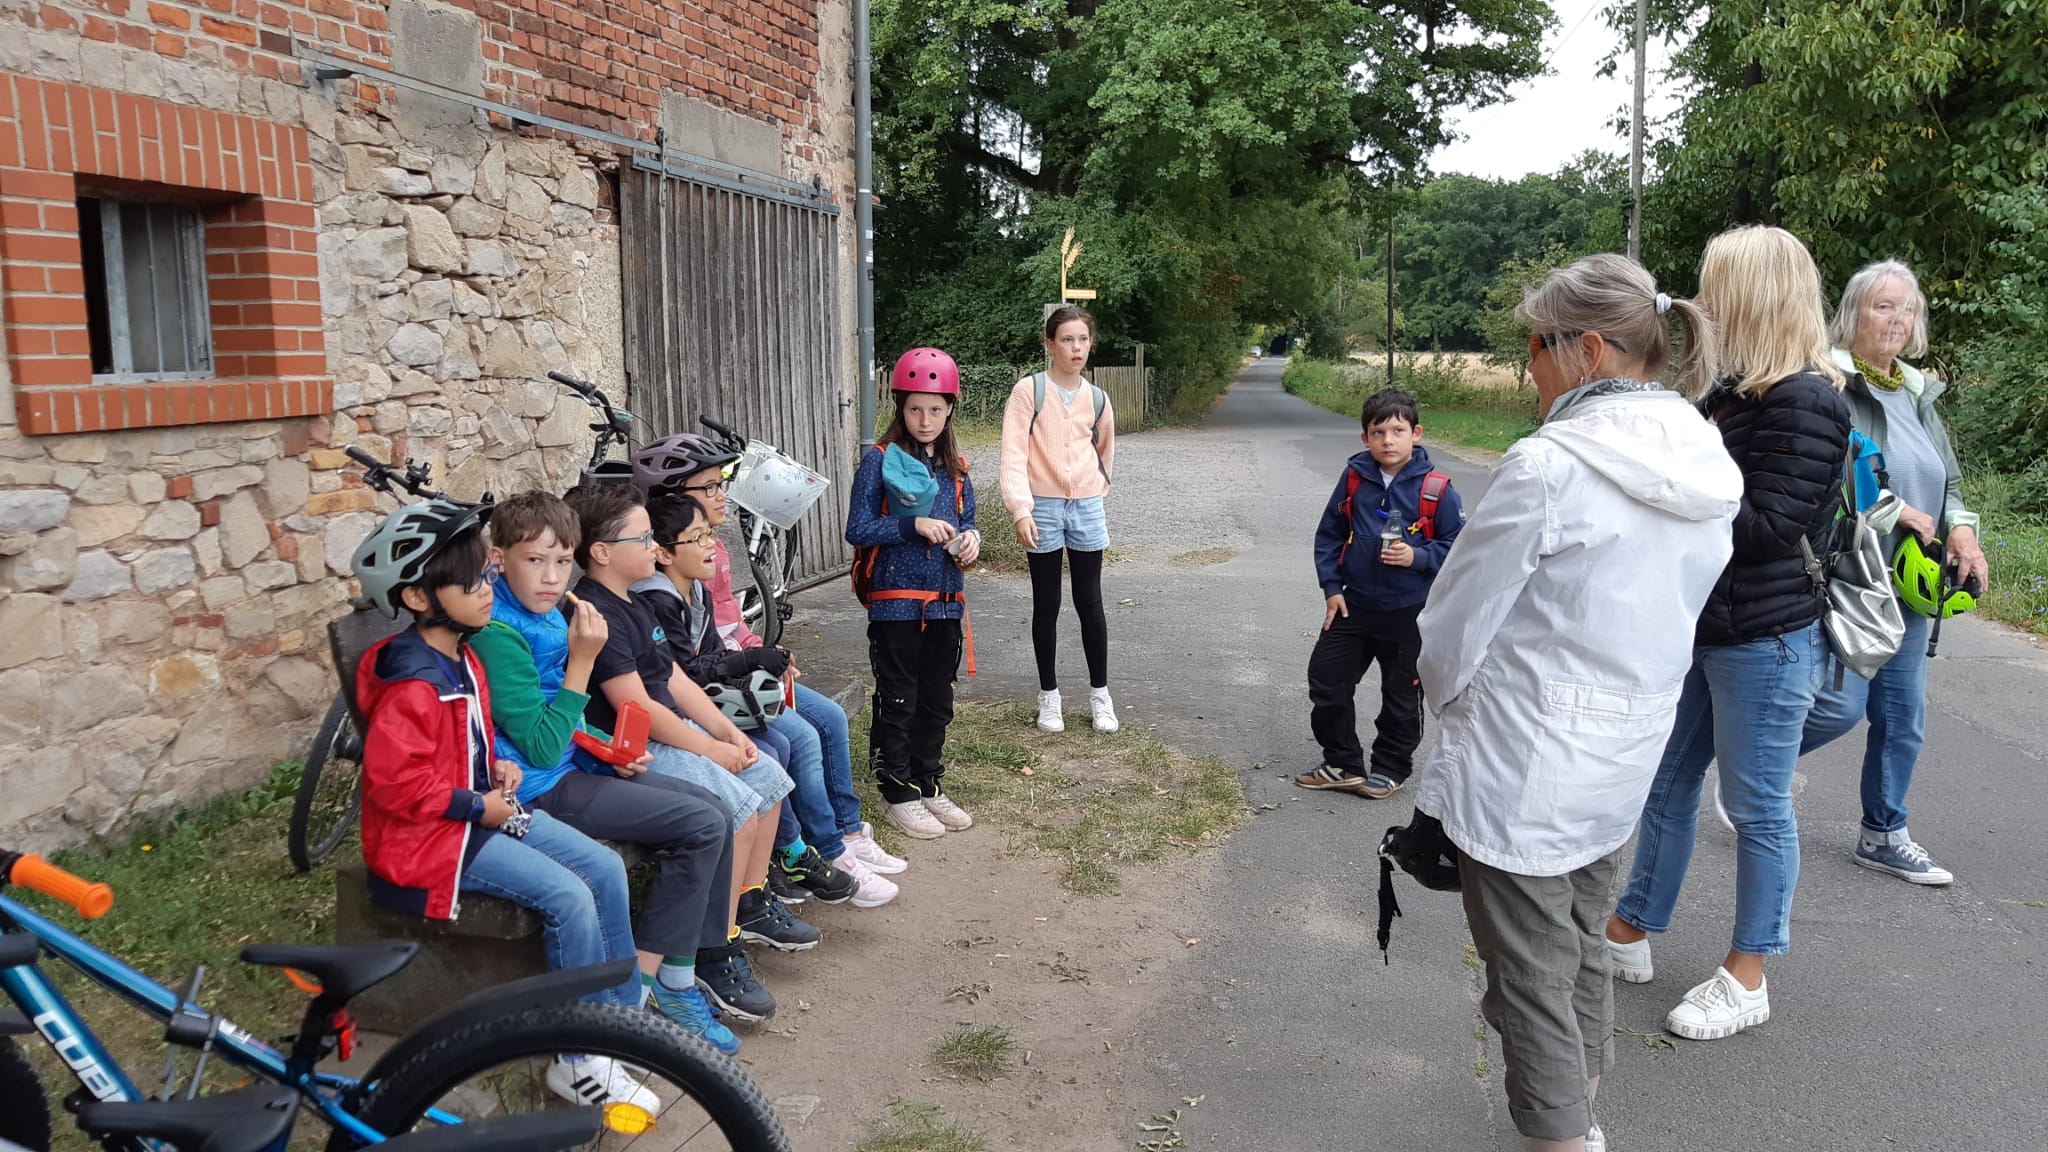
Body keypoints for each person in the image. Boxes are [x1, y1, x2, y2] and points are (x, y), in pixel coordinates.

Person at [1412, 253, 1740, 1152]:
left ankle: (1565, 1135)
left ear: (1589, 348)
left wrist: (1446, 705)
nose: (1529, 363)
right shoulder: (1708, 458)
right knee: (1583, 942)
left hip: (1524, 758)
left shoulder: (1548, 467)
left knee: (1528, 972)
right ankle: (1584, 1097)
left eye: (1537, 344)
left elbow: (1452, 625)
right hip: (1626, 747)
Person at [1605, 225, 1853, 1042]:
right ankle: (1631, 932)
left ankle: (1749, 975)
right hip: (1711, 631)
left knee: (1756, 808)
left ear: (1754, 296)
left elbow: (1770, 524)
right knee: (1668, 783)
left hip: (1767, 640)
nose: (1701, 304)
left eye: (1716, 289)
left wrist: (1663, 490)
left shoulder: (1807, 398)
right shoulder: (1731, 392)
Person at [349, 497, 660, 1110]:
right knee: (569, 896)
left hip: (475, 812)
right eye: (473, 582)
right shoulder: (414, 685)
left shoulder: (461, 656)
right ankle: (578, 1058)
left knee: (600, 867)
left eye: (487, 576)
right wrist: (475, 803)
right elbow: (397, 787)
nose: (488, 589)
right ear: (418, 597)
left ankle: (621, 1025)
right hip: (432, 842)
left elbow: (467, 734)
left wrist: (493, 760)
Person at [465, 491, 753, 1054]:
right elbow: (542, 748)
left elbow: (563, 722)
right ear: (499, 559)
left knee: (713, 812)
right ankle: (645, 996)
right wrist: (581, 661)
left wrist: (608, 748)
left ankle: (674, 978)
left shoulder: (549, 611)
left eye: (560, 561)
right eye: (534, 561)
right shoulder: (500, 633)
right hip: (539, 792)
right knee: (700, 823)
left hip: (578, 766)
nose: (551, 577)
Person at [562, 481, 797, 1026]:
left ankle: (737, 917)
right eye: (642, 538)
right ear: (601, 553)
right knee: (733, 809)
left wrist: (724, 731)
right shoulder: (600, 610)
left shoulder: (632, 599)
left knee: (769, 779)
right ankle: (710, 952)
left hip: (671, 732)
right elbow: (635, 705)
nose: (652, 548)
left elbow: (671, 677)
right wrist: (708, 749)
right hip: (637, 748)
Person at [632, 434, 908, 891]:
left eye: (721, 484)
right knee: (794, 737)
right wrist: (752, 660)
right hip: (711, 686)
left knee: (831, 717)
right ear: (672, 500)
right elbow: (688, 663)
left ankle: (846, 831)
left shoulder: (710, 552)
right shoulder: (667, 579)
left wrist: (762, 651)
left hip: (729, 671)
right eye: (709, 488)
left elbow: (731, 624)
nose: (722, 495)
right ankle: (817, 850)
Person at [1796, 260, 1988, 885]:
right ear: (1853, 314)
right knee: (1838, 708)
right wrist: (1894, 509)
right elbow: (1827, 473)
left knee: (1903, 716)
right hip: (1850, 575)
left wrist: (1960, 527)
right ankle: (1753, 776)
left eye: (1907, 309)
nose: (1898, 320)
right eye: (1884, 307)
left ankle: (1883, 834)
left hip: (1908, 583)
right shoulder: (1829, 381)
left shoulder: (1915, 393)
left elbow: (1948, 479)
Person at [1297, 387, 1465, 798]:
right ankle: (1342, 763)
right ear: (1365, 438)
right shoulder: (1355, 479)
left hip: (1411, 611)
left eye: (1397, 430)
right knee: (1327, 680)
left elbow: (1461, 547)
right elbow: (1329, 535)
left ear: (1416, 433)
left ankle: (1391, 767)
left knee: (1401, 693)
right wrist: (1332, 588)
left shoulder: (1436, 489)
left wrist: (1418, 557)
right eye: (1378, 432)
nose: (1388, 440)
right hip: (1354, 604)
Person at [846, 346, 980, 839]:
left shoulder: (957, 467)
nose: (925, 419)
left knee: (936, 699)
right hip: (896, 603)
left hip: (946, 601)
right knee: (899, 697)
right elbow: (858, 528)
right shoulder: (878, 461)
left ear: (950, 409)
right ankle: (895, 789)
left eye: (936, 409)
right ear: (900, 407)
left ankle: (927, 782)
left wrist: (970, 541)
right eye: (915, 408)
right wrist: (912, 524)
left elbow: (967, 520)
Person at [999, 306, 1118, 734]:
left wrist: (1094, 490)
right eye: (1067, 340)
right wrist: (1021, 509)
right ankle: (1049, 698)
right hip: (1042, 507)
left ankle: (1100, 696)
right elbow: (1013, 454)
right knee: (1046, 603)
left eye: (1082, 339)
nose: (1076, 348)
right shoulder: (1029, 392)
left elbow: (1104, 451)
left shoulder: (1098, 398)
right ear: (1050, 345)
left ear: (1091, 343)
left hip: (1086, 506)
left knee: (1091, 601)